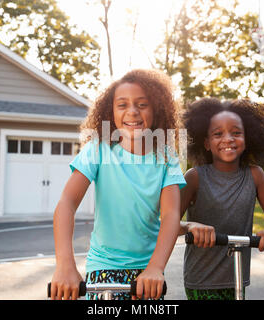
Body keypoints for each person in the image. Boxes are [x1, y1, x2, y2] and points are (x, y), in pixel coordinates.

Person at [50, 69, 186, 300]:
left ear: (157, 109)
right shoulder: (98, 149)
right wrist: (65, 265)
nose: (132, 111)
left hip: (148, 271)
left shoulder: (166, 157)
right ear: (110, 111)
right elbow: (67, 203)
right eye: (122, 105)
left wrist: (155, 267)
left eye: (142, 104)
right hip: (104, 267)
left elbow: (171, 215)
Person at [179, 97, 264, 300]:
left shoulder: (255, 175)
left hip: (237, 278)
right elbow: (168, 224)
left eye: (236, 133)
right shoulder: (195, 177)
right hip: (202, 280)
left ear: (248, 139)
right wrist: (190, 226)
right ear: (206, 143)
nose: (228, 138)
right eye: (218, 134)